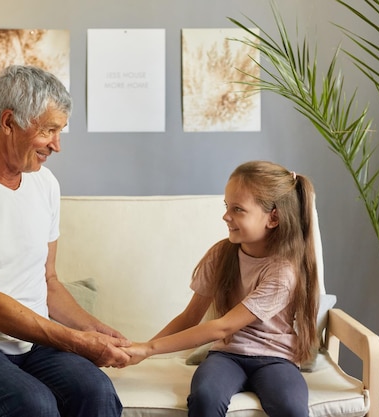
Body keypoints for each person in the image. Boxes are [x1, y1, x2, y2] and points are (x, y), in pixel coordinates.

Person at [0, 65, 130, 417]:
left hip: (32, 344)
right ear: (10, 122)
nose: (57, 146)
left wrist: (97, 330)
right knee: (33, 404)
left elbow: (49, 282)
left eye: (60, 132)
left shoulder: (45, 185)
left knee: (96, 390)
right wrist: (77, 342)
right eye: (49, 130)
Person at [123, 160, 319, 417]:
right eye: (226, 206)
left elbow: (223, 325)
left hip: (276, 358)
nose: (226, 216)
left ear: (273, 217)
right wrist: (142, 348)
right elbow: (190, 317)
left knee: (292, 408)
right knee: (205, 397)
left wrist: (148, 350)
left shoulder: (283, 271)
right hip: (227, 356)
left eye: (238, 209)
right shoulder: (220, 255)